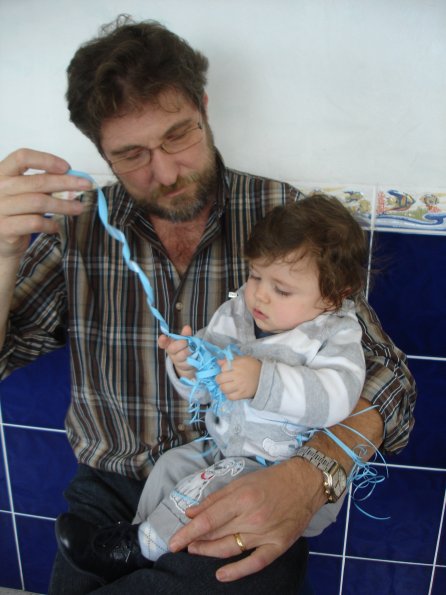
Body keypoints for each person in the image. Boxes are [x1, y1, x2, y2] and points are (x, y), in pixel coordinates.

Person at [0, 15, 416, 595]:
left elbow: (392, 384)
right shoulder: (77, 230)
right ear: (101, 152)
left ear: (204, 106)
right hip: (109, 490)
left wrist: (311, 473)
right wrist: (2, 255)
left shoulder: (284, 220)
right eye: (132, 154)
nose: (166, 172)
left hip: (256, 480)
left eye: (178, 136)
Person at [55, 194, 368, 585]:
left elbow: (337, 397)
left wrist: (263, 380)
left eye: (282, 290)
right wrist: (187, 365)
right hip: (223, 447)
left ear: (334, 295)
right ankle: (135, 544)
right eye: (255, 276)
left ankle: (140, 547)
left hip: (279, 469)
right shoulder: (237, 312)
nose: (259, 294)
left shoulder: (335, 333)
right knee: (171, 466)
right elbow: (203, 387)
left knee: (201, 487)